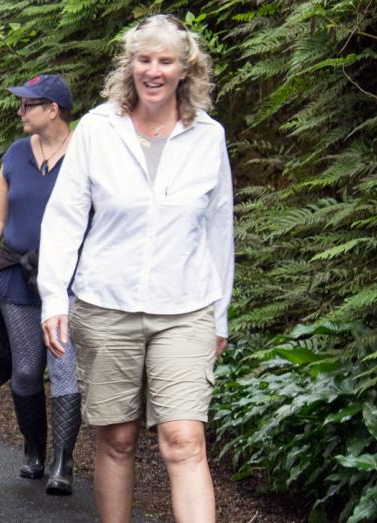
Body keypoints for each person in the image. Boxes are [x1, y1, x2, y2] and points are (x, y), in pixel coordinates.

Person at [37, 14, 233, 523]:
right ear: (130, 66)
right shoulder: (99, 130)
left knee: (184, 441)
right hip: (106, 303)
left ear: (185, 70)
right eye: (144, 59)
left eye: (165, 61)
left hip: (186, 306)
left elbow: (218, 232)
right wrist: (54, 299)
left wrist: (221, 316)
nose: (153, 70)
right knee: (118, 438)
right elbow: (64, 218)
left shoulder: (208, 136)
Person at [0, 74, 82, 495]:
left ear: (53, 110)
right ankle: (34, 449)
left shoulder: (86, 154)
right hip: (16, 275)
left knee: (65, 368)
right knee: (27, 370)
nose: (19, 111)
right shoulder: (15, 154)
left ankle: (63, 463)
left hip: (67, 281)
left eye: (28, 104)